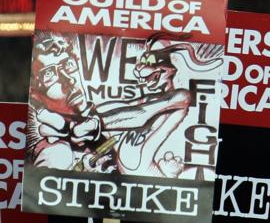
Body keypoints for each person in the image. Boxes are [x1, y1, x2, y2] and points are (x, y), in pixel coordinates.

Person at [28, 32, 221, 177]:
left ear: (168, 70)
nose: (68, 79)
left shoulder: (175, 99)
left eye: (68, 65)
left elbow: (142, 113)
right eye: (49, 74)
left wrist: (95, 125)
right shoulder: (55, 150)